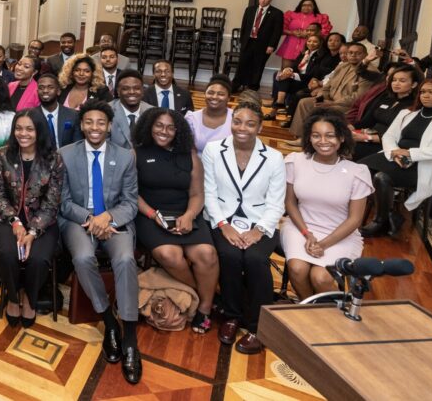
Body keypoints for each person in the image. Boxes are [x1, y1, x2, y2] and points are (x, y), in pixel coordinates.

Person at [58, 99, 142, 384]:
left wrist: (108, 219)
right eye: (89, 122)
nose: (95, 128)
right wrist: (93, 219)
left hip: (115, 222)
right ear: (82, 125)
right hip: (78, 221)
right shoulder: (65, 154)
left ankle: (129, 338)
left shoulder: (126, 156)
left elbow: (131, 203)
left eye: (101, 123)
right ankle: (109, 323)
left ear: (109, 127)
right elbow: (63, 202)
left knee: (126, 259)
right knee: (82, 258)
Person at [203, 101, 286, 355]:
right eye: (237, 121)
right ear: (231, 123)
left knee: (253, 258)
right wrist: (223, 225)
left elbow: (276, 203)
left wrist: (258, 230)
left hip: (260, 221)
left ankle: (257, 326)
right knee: (228, 255)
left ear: (260, 126)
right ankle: (231, 316)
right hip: (222, 218)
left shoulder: (274, 157)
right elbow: (209, 192)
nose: (242, 128)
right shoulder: (213, 149)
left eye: (250, 123)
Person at [132, 108, 218, 333]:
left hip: (186, 213)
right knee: (169, 254)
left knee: (207, 254)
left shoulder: (189, 156)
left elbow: (198, 194)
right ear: (150, 126)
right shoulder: (136, 153)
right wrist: (152, 215)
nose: (164, 131)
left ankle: (205, 309)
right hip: (150, 215)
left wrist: (189, 215)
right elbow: (132, 193)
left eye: (171, 127)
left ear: (178, 131)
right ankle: (201, 294)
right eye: (159, 125)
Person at [282, 109, 371, 300]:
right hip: (300, 227)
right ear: (309, 138)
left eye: (330, 135)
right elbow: (290, 203)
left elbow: (355, 219)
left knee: (320, 277)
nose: (323, 141)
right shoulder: (295, 161)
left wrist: (323, 243)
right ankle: (309, 311)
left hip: (340, 232)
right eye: (316, 135)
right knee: (297, 269)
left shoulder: (357, 172)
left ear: (341, 138)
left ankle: (330, 313)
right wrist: (307, 234)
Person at [0, 109, 64, 329]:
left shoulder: (53, 159)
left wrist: (32, 231)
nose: (23, 134)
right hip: (8, 219)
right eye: (19, 128)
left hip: (42, 222)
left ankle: (30, 299)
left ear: (39, 131)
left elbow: (52, 203)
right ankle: (13, 298)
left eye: (29, 129)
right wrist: (14, 221)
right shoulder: (3, 154)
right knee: (6, 253)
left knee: (38, 259)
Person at [358, 79, 432, 237]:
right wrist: (395, 152)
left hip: (420, 165)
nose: (426, 96)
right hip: (394, 156)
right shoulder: (407, 113)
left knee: (381, 177)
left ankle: (380, 221)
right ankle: (391, 216)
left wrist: (410, 153)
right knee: (361, 169)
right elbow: (389, 135)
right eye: (423, 92)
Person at [286, 43, 374, 145]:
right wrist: (321, 97)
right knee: (305, 102)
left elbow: (357, 97)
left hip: (347, 106)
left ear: (365, 55)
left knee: (322, 109)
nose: (353, 55)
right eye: (350, 53)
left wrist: (332, 103)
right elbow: (328, 85)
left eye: (358, 53)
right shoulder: (343, 66)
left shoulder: (368, 71)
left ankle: (312, 139)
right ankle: (302, 137)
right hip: (330, 99)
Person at [351, 64, 421, 161]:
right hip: (367, 137)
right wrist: (348, 127)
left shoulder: (413, 106)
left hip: (387, 145)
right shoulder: (386, 98)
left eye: (402, 81)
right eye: (394, 80)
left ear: (414, 84)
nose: (396, 83)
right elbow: (367, 121)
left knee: (350, 151)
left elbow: (398, 136)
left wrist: (365, 137)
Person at [232, 0, 284, 92]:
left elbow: (277, 32)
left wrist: (271, 45)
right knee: (242, 64)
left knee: (258, 66)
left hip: (264, 45)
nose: (263, 0)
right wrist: (242, 41)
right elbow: (244, 26)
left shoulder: (277, 13)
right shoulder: (250, 10)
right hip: (248, 41)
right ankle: (236, 85)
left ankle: (253, 87)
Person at [266, 35, 328, 121]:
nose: (311, 43)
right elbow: (295, 66)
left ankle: (276, 107)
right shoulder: (304, 53)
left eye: (315, 41)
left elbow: (312, 74)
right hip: (297, 79)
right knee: (280, 75)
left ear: (320, 43)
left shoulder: (321, 56)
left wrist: (292, 75)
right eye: (309, 41)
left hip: (308, 82)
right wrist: (289, 69)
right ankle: (280, 102)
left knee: (285, 79)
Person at [277, 0, 332, 68]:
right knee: (285, 70)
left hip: (309, 46)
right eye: (304, 5)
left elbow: (325, 32)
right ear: (300, 6)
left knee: (302, 71)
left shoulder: (321, 17)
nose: (306, 7)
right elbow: (281, 28)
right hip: (290, 45)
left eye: (309, 5)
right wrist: (292, 33)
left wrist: (308, 34)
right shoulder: (291, 14)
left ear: (314, 7)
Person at [185, 75, 234, 152]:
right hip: (199, 162)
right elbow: (190, 150)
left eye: (221, 94)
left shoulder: (236, 118)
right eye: (210, 93)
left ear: (228, 98)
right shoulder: (192, 118)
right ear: (205, 94)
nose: (214, 97)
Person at [108, 70, 152, 149]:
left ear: (142, 91)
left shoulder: (152, 112)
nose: (132, 92)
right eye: (125, 89)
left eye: (137, 88)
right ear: (118, 91)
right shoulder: (107, 111)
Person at [36, 73, 81, 148]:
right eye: (41, 87)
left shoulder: (73, 115)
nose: (45, 91)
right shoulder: (31, 116)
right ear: (37, 91)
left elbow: (78, 145)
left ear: (58, 91)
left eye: (50, 87)